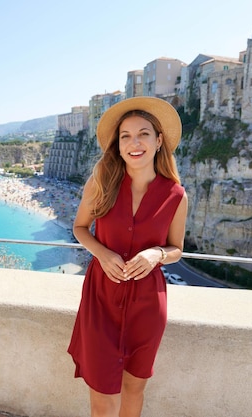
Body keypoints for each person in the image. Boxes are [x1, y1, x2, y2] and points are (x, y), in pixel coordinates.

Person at [67, 96, 188, 417]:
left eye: (143, 134)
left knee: (135, 386)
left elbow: (177, 249)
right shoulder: (101, 182)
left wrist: (156, 253)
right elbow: (80, 227)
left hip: (147, 305)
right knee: (103, 394)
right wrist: (102, 254)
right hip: (101, 299)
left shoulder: (176, 195)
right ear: (118, 146)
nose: (134, 142)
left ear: (159, 140)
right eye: (126, 136)